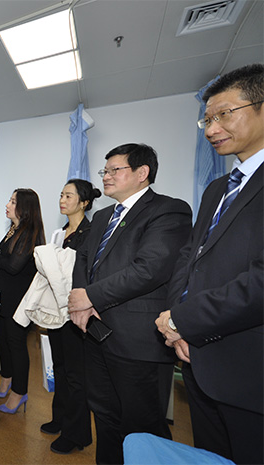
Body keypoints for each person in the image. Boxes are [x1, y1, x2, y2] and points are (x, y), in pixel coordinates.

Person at [155, 63, 263, 465]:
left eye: (225, 114)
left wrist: (184, 321)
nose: (212, 129)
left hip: (249, 366)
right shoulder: (218, 188)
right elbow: (190, 256)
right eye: (207, 120)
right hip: (197, 357)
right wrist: (176, 323)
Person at [68, 143, 192, 464]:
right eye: (104, 170)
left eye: (114, 170)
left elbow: (150, 268)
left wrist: (90, 296)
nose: (106, 177)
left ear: (142, 173)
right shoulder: (103, 216)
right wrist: (81, 299)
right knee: (104, 414)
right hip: (96, 333)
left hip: (138, 341)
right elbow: (83, 259)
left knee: (143, 425)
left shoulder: (168, 210)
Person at [41, 179, 100, 454]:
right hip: (57, 309)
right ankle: (60, 418)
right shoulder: (59, 233)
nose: (62, 200)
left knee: (76, 374)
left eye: (68, 196)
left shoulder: (91, 232)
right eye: (61, 195)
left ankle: (76, 434)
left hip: (77, 310)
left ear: (84, 202)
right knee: (60, 367)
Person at [0, 189, 45, 415]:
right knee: (3, 342)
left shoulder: (29, 233)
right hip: (5, 296)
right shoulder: (14, 230)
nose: (7, 205)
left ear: (25, 208)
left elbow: (13, 266)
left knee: (16, 346)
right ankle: (6, 379)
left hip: (18, 301)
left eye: (13, 202)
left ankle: (19, 392)